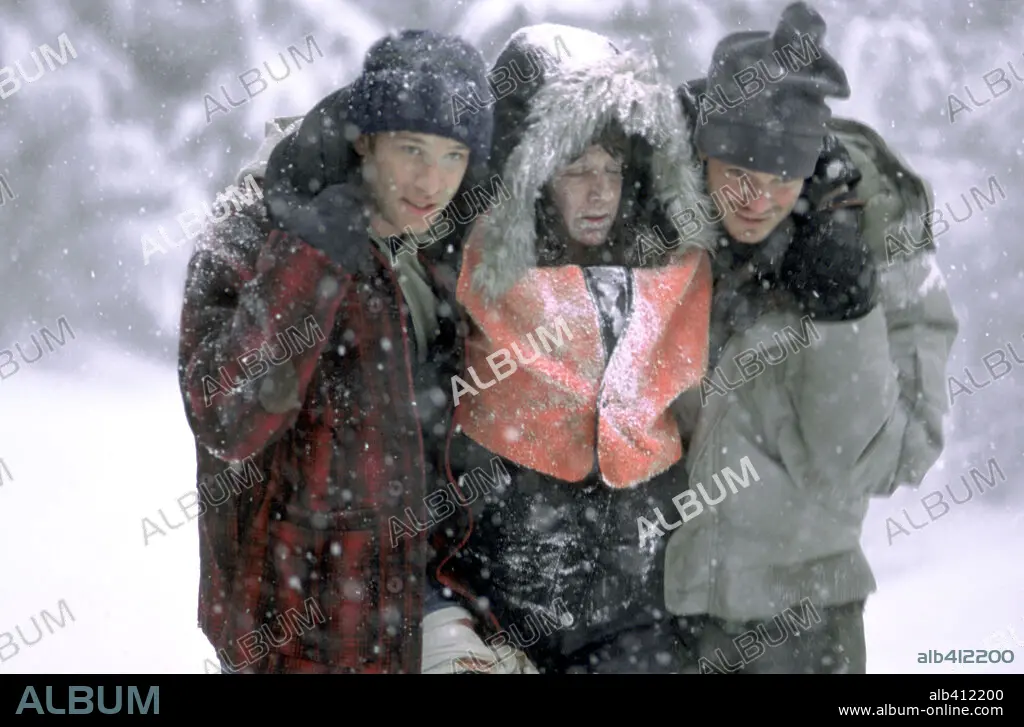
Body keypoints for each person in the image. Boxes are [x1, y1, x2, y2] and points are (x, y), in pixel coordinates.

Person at [176, 29, 494, 673]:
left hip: (420, 602)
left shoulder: (445, 243)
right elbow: (226, 418)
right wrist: (311, 257)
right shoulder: (255, 226)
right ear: (365, 139)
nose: (432, 180)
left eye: (454, 155)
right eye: (412, 149)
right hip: (293, 623)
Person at [662, 2, 959, 674]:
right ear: (703, 153)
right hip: (652, 613)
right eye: (738, 173)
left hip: (805, 622)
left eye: (781, 178)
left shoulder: (879, 238)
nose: (757, 199)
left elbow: (889, 459)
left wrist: (845, 316)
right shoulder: (657, 216)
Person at [423, 24, 718, 674]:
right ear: (531, 176)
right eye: (577, 169)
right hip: (497, 610)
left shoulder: (681, 271)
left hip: (641, 616)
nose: (599, 191)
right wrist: (440, 612)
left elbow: (768, 183)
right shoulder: (461, 270)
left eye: (612, 169)